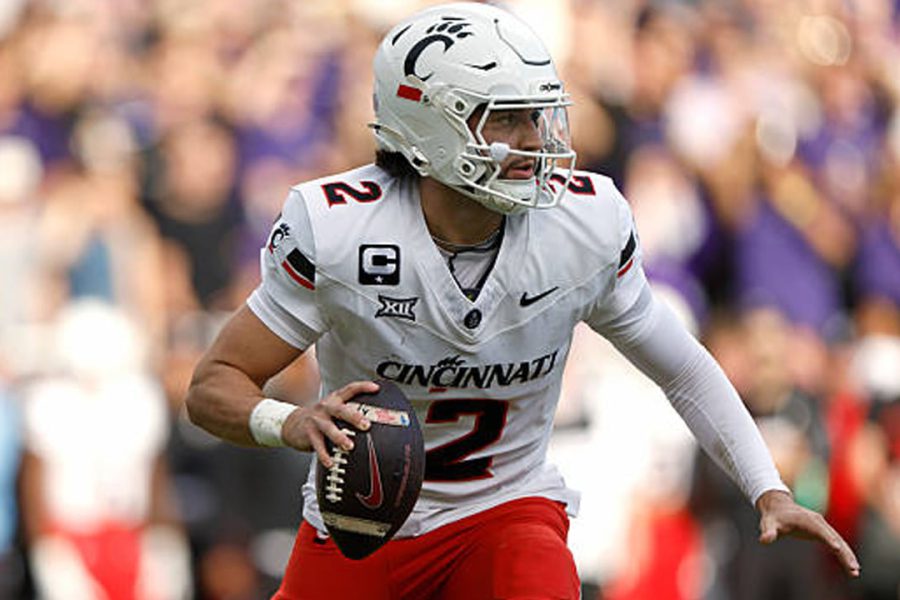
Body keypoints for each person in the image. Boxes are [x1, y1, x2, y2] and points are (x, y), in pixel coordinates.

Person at [186, 3, 860, 598]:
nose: (537, 140)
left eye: (539, 115)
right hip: (362, 522)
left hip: (504, 512)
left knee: (531, 568)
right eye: (506, 119)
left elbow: (680, 368)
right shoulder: (339, 230)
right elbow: (214, 385)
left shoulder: (582, 226)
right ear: (426, 130)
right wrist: (289, 421)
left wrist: (767, 486)